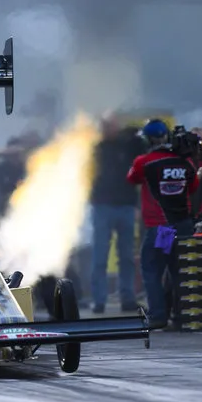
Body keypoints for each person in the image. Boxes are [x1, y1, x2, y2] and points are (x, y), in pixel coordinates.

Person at [126, 120, 199, 329]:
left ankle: (158, 315)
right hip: (183, 224)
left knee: (151, 270)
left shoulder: (144, 162)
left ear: (148, 140)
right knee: (179, 271)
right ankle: (183, 315)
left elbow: (131, 178)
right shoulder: (185, 162)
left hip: (163, 227)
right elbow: (193, 187)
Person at [89, 114, 146, 314]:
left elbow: (142, 144)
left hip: (126, 205)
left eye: (111, 125)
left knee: (127, 256)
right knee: (100, 256)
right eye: (104, 125)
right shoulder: (95, 146)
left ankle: (128, 298)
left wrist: (131, 130)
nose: (107, 129)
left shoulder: (128, 144)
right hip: (101, 206)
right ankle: (99, 300)